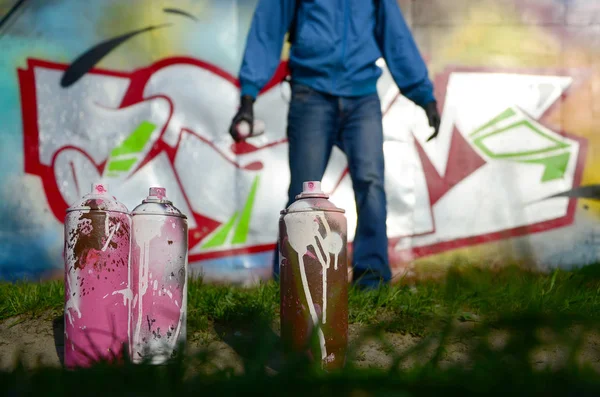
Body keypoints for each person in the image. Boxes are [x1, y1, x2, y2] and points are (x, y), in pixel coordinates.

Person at [228, 0, 441, 289]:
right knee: (302, 195)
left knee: (371, 184)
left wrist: (423, 94)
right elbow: (268, 26)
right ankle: (292, 281)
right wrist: (248, 97)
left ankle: (372, 280)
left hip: (362, 97)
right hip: (311, 94)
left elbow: (395, 35)